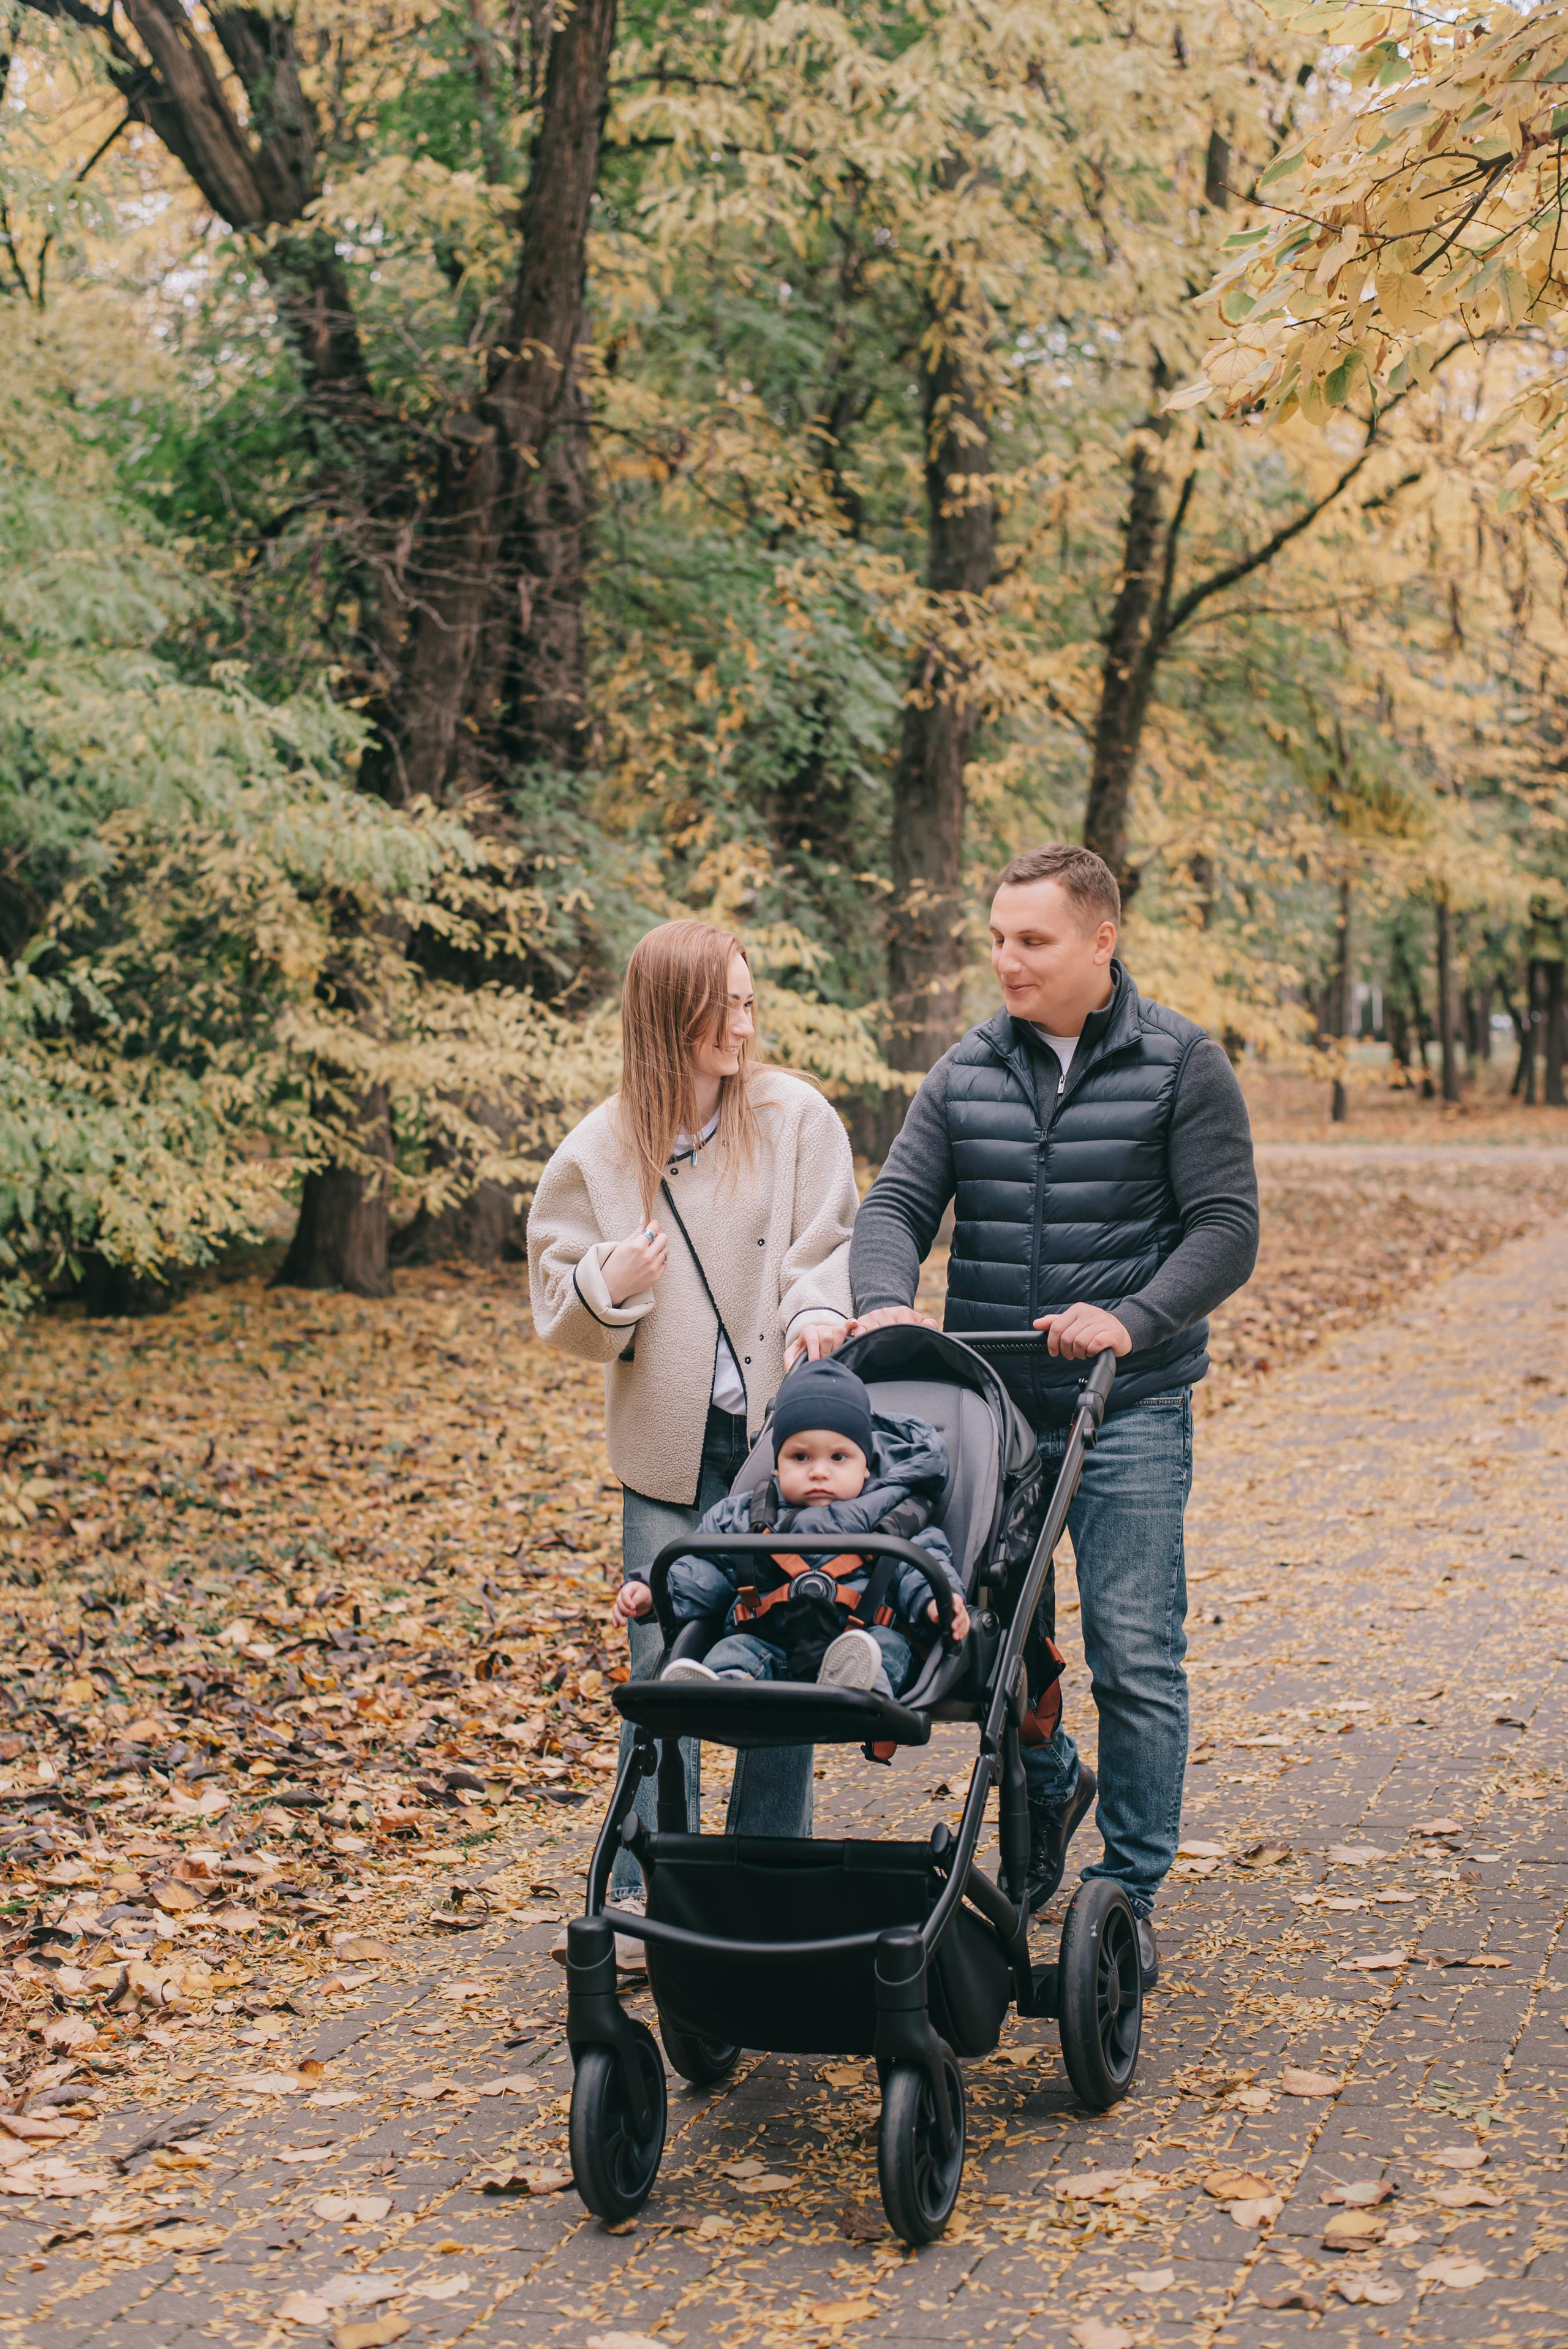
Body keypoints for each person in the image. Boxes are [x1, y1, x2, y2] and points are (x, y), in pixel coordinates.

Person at [848, 843, 1259, 1986]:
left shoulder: (1182, 1063)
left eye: (1031, 939)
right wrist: (882, 1298)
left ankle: (1128, 1887)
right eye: (997, 937)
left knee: (1135, 1650)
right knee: (992, 1645)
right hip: (991, 1418)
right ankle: (1047, 1785)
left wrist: (1130, 1318)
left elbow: (1226, 1228)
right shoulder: (966, 1070)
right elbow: (896, 1205)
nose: (1007, 959)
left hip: (1127, 1406)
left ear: (1100, 941)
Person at [527, 918, 858, 1902]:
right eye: (727, 1008)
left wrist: (817, 1311)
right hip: (666, 1451)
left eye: (751, 1004)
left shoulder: (796, 1118)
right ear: (670, 1016)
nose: (746, 1026)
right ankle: (650, 1893)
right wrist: (609, 1280)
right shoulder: (599, 1148)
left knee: (786, 1665)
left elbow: (826, 1244)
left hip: (778, 1450)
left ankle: (765, 1886)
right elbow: (558, 1301)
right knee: (663, 1674)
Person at [643, 1356, 970, 1698]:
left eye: (838, 1458)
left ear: (866, 1467)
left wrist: (937, 1603)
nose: (819, 1472)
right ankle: (723, 1691)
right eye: (800, 1457)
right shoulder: (743, 1518)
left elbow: (924, 1568)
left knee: (887, 1646)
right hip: (770, 1643)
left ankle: (860, 1690)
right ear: (777, 1466)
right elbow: (702, 1570)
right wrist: (655, 1590)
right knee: (735, 1648)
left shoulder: (895, 1517)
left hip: (860, 1638)